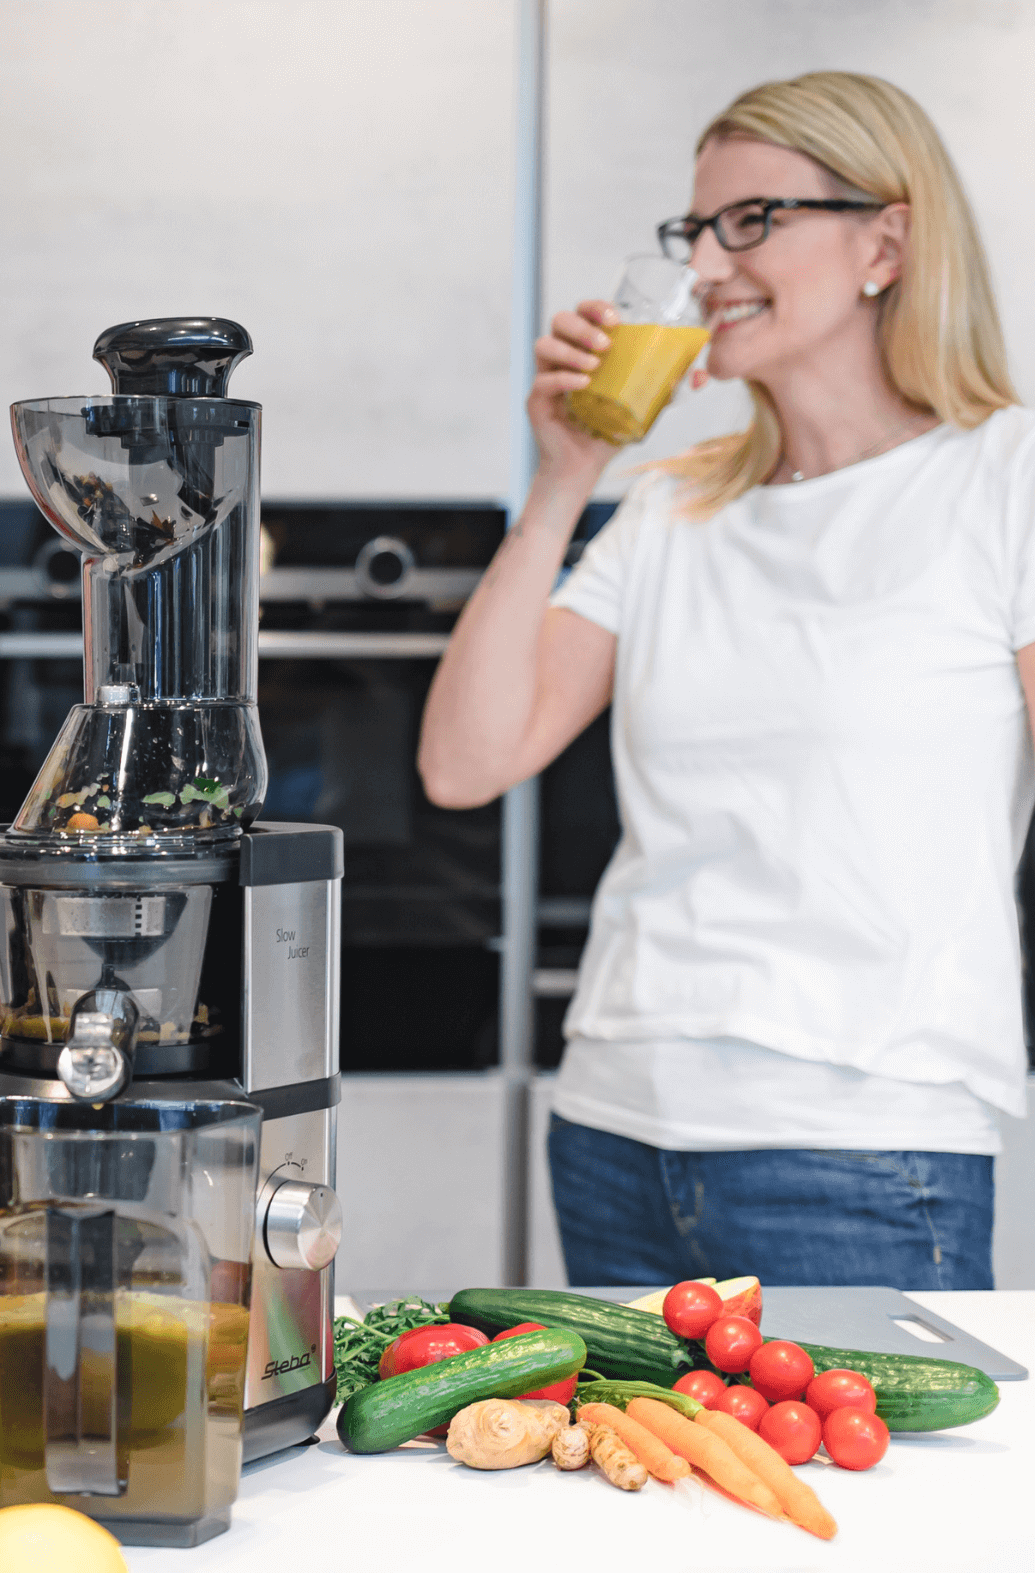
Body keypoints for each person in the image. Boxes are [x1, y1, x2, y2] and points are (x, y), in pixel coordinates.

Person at [417, 71, 1028, 1290]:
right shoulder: (668, 507)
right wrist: (562, 476)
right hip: (613, 1121)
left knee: (872, 1496)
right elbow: (463, 762)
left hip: (861, 1139)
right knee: (639, 1484)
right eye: (692, 229)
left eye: (749, 221)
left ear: (884, 240)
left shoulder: (1000, 477)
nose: (704, 263)